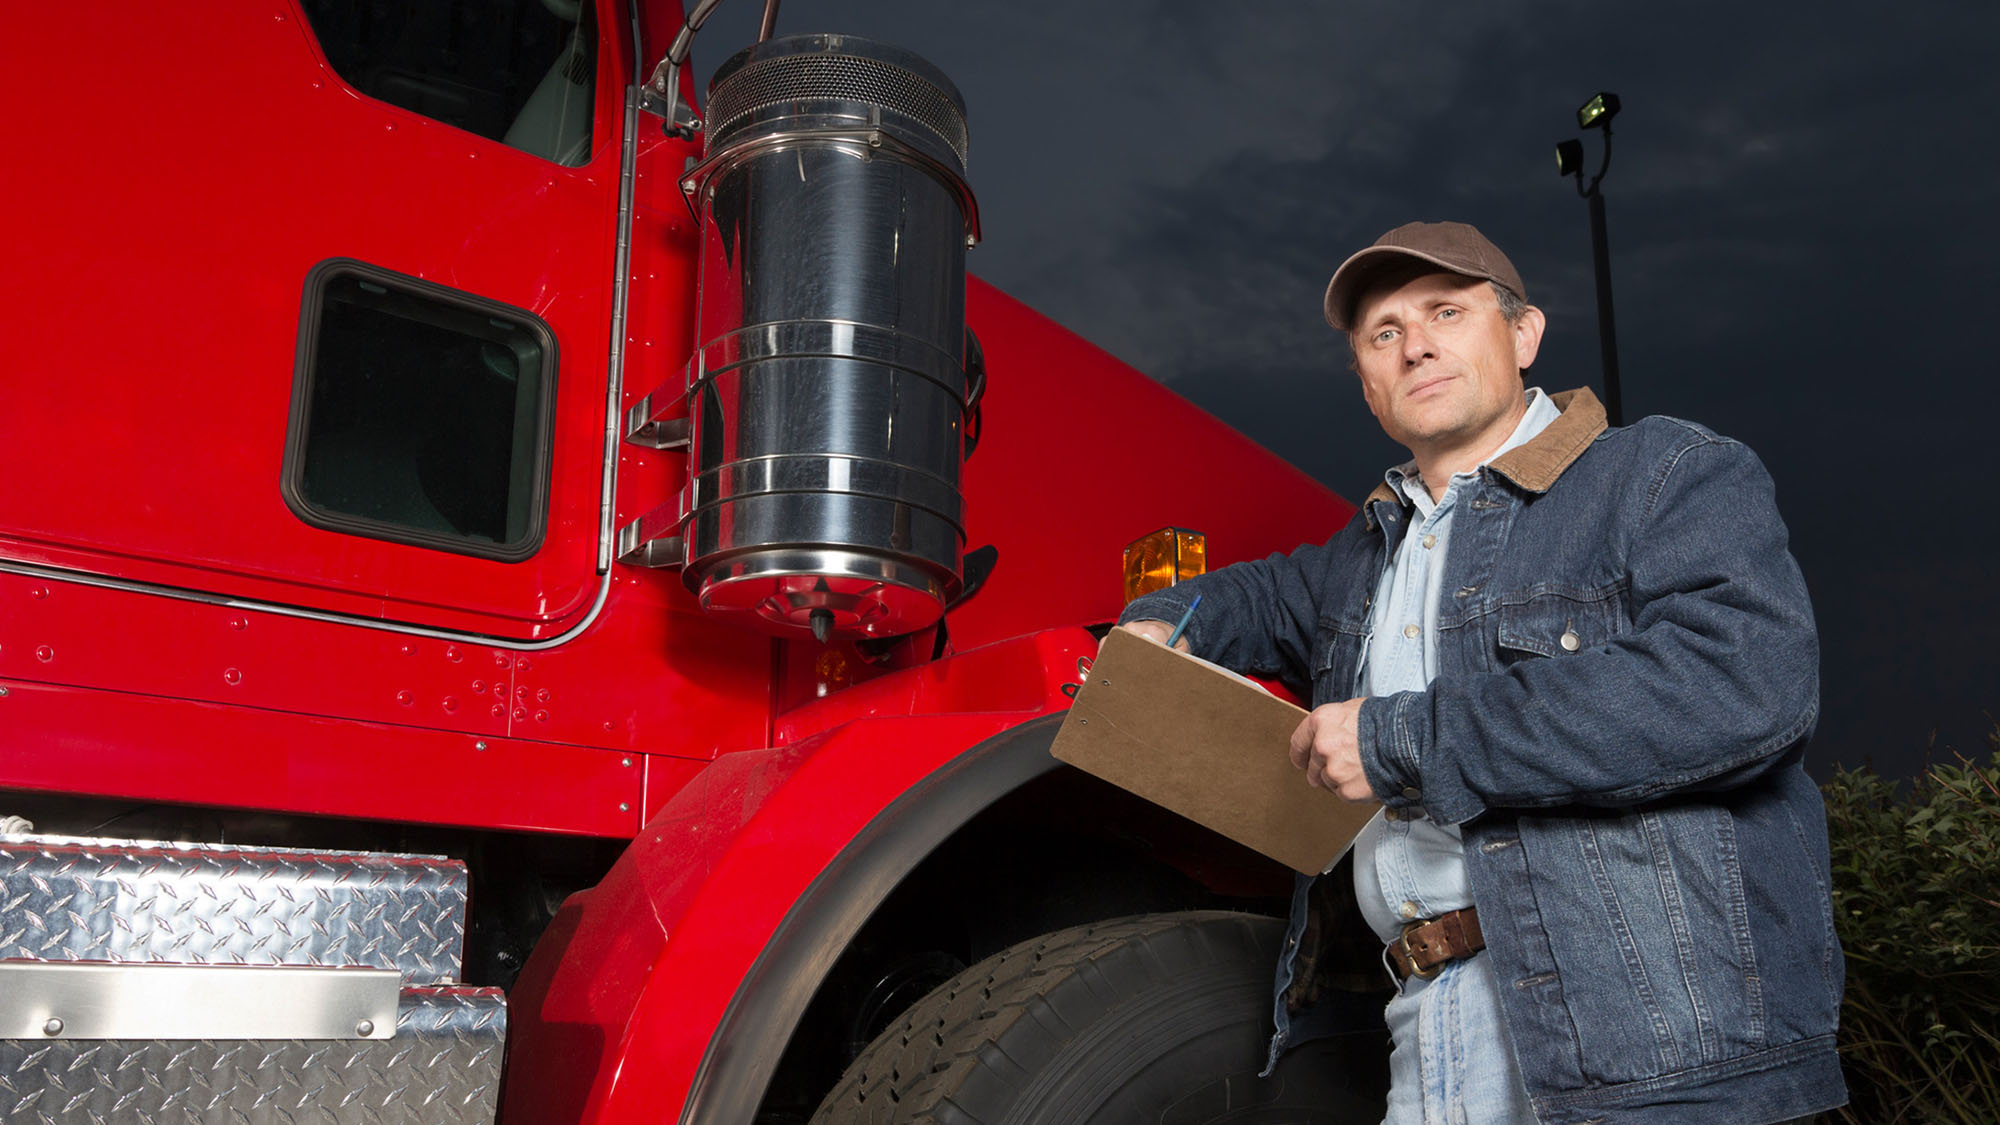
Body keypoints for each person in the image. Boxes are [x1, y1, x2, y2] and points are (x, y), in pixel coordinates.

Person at [1116, 221, 1846, 1123]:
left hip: (1653, 1052)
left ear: (1525, 334)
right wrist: (1157, 623)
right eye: (1383, 334)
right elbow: (1252, 597)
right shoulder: (1362, 555)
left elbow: (1745, 686)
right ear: (1367, 383)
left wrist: (1400, 739)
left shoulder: (1664, 474)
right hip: (1425, 1033)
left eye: (1446, 312)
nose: (1414, 343)